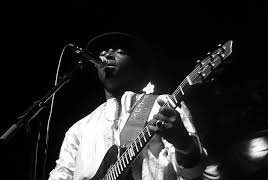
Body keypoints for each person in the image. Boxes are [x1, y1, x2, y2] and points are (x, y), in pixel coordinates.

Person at [48, 32, 207, 180]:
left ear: (136, 65)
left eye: (120, 51)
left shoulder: (161, 105)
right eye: (102, 53)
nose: (108, 55)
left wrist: (183, 144)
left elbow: (193, 171)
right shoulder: (78, 130)